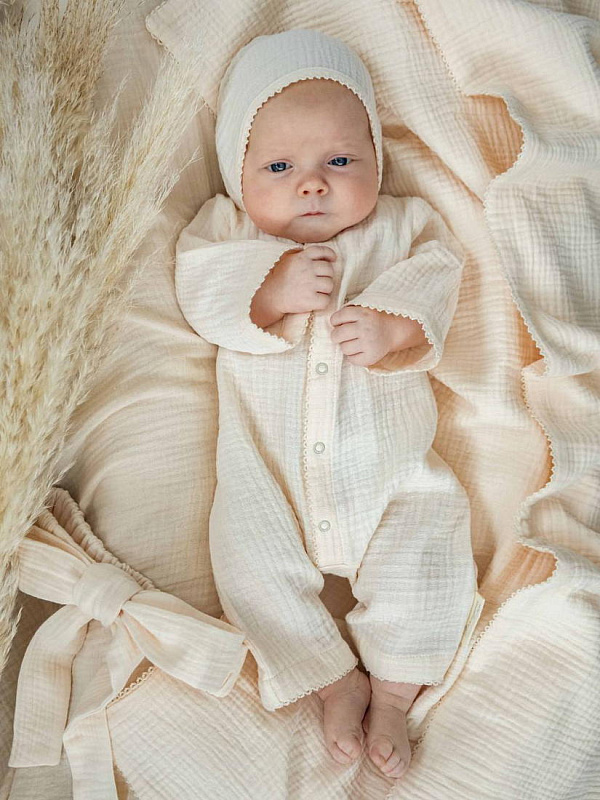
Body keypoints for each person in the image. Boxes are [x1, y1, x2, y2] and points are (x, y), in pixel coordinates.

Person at [175, 29, 482, 780]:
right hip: (266, 477)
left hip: (390, 475)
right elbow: (202, 292)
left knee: (431, 543)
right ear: (238, 173)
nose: (312, 185)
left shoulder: (403, 227)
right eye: (280, 167)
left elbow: (439, 275)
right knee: (246, 561)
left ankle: (395, 688)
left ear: (376, 158)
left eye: (340, 161)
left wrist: (393, 325)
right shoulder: (227, 232)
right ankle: (329, 678)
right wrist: (270, 289)